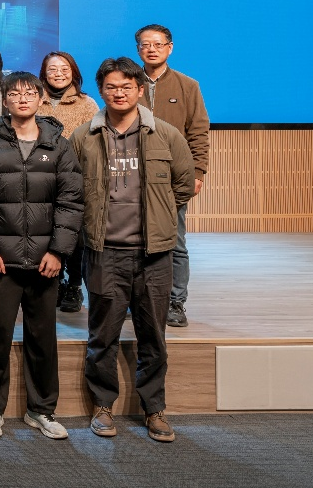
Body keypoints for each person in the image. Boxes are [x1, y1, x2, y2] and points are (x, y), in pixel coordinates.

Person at [70, 57, 195, 443]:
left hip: (153, 255)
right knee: (102, 335)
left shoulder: (166, 134)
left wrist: (157, 219)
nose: (119, 93)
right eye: (111, 87)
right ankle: (103, 405)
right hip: (104, 252)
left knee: (153, 336)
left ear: (140, 90)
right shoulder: (83, 137)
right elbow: (70, 187)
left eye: (126, 86)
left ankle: (154, 409)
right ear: (101, 91)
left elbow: (183, 184)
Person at [0, 72, 83, 441]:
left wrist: (58, 251)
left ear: (40, 98)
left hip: (46, 262)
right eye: (14, 94)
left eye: (29, 93)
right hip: (2, 262)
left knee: (43, 338)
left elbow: (70, 202)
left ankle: (42, 410)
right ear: (5, 100)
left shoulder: (60, 146)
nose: (22, 98)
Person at [135, 24, 209, 328]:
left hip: (172, 176)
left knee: (174, 241)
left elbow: (199, 132)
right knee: (133, 240)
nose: (151, 49)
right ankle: (138, 300)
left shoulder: (187, 85)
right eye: (145, 44)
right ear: (138, 49)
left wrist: (198, 171)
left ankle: (176, 302)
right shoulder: (130, 83)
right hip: (132, 174)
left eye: (158, 44)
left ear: (170, 47)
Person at [36, 51, 99, 314]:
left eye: (64, 69)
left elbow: (95, 144)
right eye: (52, 69)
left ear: (73, 72)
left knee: (74, 235)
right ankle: (55, 282)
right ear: (44, 74)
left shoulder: (87, 104)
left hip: (75, 177)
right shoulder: (34, 100)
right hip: (39, 177)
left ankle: (74, 285)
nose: (58, 74)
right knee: (45, 231)